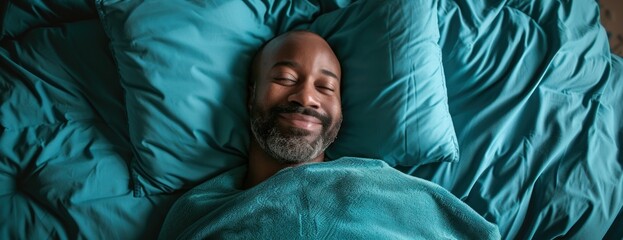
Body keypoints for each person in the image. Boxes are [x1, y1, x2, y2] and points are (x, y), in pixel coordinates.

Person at [244, 30, 343, 188]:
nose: (306, 98)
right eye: (285, 78)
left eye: (326, 87)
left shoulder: (380, 188)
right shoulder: (200, 208)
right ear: (252, 96)